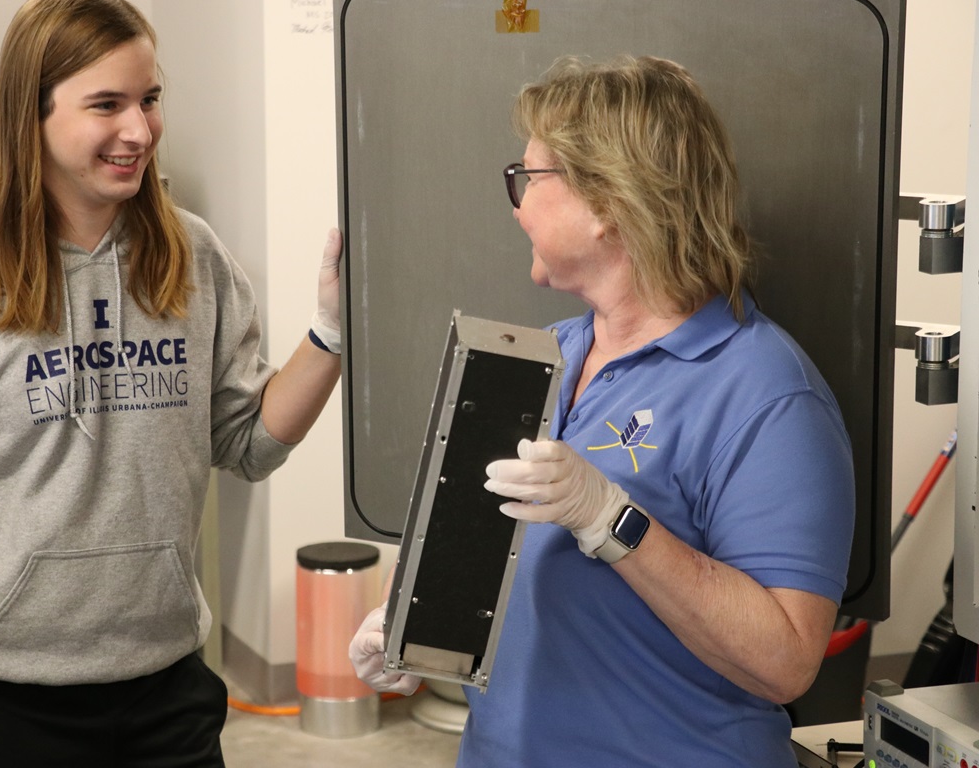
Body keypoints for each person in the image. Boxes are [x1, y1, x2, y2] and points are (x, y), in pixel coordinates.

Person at [0, 0, 342, 768]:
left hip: (165, 688)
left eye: (150, 99)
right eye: (107, 104)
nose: (139, 130)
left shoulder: (192, 258)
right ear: (31, 116)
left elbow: (247, 441)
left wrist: (332, 332)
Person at [349, 55, 855, 767]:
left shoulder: (767, 395)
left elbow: (787, 661)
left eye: (529, 178)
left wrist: (611, 521)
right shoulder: (540, 358)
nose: (517, 204)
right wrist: (406, 628)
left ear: (611, 201)